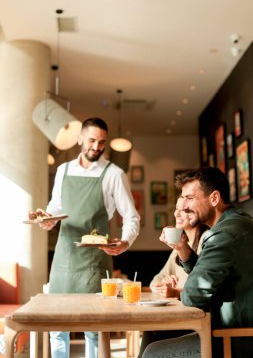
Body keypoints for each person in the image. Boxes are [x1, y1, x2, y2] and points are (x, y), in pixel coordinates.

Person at [39, 117, 140, 358]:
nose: (96, 147)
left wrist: (125, 242)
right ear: (80, 138)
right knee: (57, 329)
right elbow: (55, 207)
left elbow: (132, 216)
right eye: (92, 140)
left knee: (94, 330)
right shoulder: (63, 170)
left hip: (95, 262)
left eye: (102, 142)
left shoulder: (114, 173)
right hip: (63, 260)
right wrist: (48, 219)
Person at [143, 167, 253, 358]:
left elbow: (194, 295)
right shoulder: (237, 223)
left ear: (214, 198)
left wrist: (181, 290)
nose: (183, 206)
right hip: (228, 329)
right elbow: (207, 279)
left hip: (234, 339)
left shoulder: (222, 235)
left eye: (190, 198)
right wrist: (184, 251)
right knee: (154, 333)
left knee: (153, 353)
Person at [138, 197, 208, 357]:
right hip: (185, 315)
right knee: (152, 330)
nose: (177, 213)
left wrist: (176, 292)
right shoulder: (178, 247)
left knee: (152, 345)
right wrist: (165, 283)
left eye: (184, 210)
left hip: (198, 319)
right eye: (176, 209)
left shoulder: (206, 240)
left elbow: (205, 285)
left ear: (195, 212)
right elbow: (155, 281)